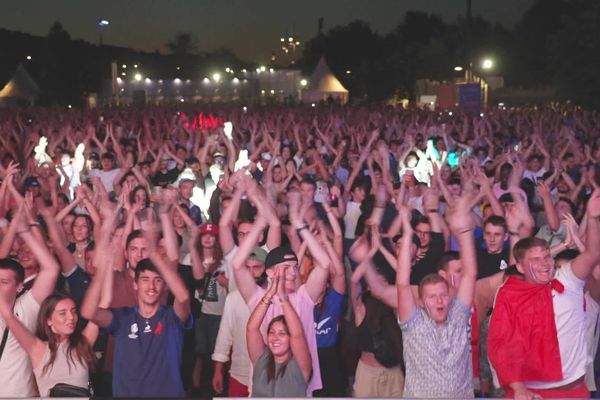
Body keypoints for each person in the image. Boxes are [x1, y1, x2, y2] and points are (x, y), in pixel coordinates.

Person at [488, 188, 600, 399]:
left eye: (546, 257)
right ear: (520, 267)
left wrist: (593, 218)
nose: (544, 264)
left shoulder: (567, 280)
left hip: (573, 392)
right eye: (535, 260)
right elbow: (499, 344)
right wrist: (519, 388)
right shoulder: (509, 294)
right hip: (528, 393)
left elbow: (593, 254)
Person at [81, 211, 192, 397]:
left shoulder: (171, 318)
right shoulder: (122, 317)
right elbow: (89, 311)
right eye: (145, 280)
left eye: (157, 280)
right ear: (135, 285)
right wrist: (105, 265)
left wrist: (155, 253)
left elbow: (183, 297)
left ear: (164, 285)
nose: (151, 286)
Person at [396, 185, 479, 398]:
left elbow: (469, 275)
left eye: (443, 295)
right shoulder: (413, 323)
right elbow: (402, 283)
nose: (440, 300)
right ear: (421, 302)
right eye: (432, 297)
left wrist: (464, 233)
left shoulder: (459, 316)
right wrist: (407, 232)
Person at [0, 202, 60, 397]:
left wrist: (24, 230)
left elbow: (51, 269)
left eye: (4, 282)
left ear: (19, 287)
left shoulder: (26, 307)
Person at [0, 293, 100, 397]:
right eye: (62, 313)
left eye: (73, 311)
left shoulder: (82, 343)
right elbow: (9, 317)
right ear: (48, 320)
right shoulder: (39, 349)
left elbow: (103, 303)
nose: (71, 317)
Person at [246, 267, 312, 397]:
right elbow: (251, 329)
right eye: (272, 332)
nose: (275, 338)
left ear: (290, 339)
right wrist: (269, 294)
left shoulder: (299, 364)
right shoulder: (262, 358)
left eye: (282, 333)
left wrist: (283, 297)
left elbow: (297, 333)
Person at [212, 247, 268, 397]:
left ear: (267, 269)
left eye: (257, 267)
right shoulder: (234, 297)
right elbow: (225, 335)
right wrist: (218, 370)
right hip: (238, 374)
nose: (251, 273)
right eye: (247, 268)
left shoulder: (276, 298)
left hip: (270, 375)